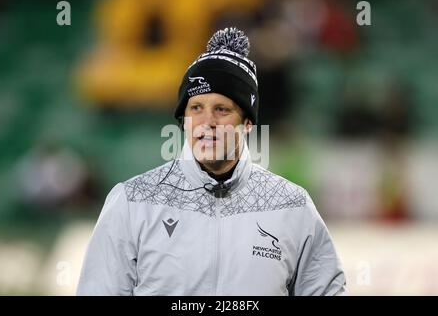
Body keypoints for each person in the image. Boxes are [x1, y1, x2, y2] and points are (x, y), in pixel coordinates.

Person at [77, 27, 346, 296]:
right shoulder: (133, 202)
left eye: (222, 109)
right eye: (196, 108)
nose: (207, 123)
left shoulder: (292, 206)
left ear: (248, 122)